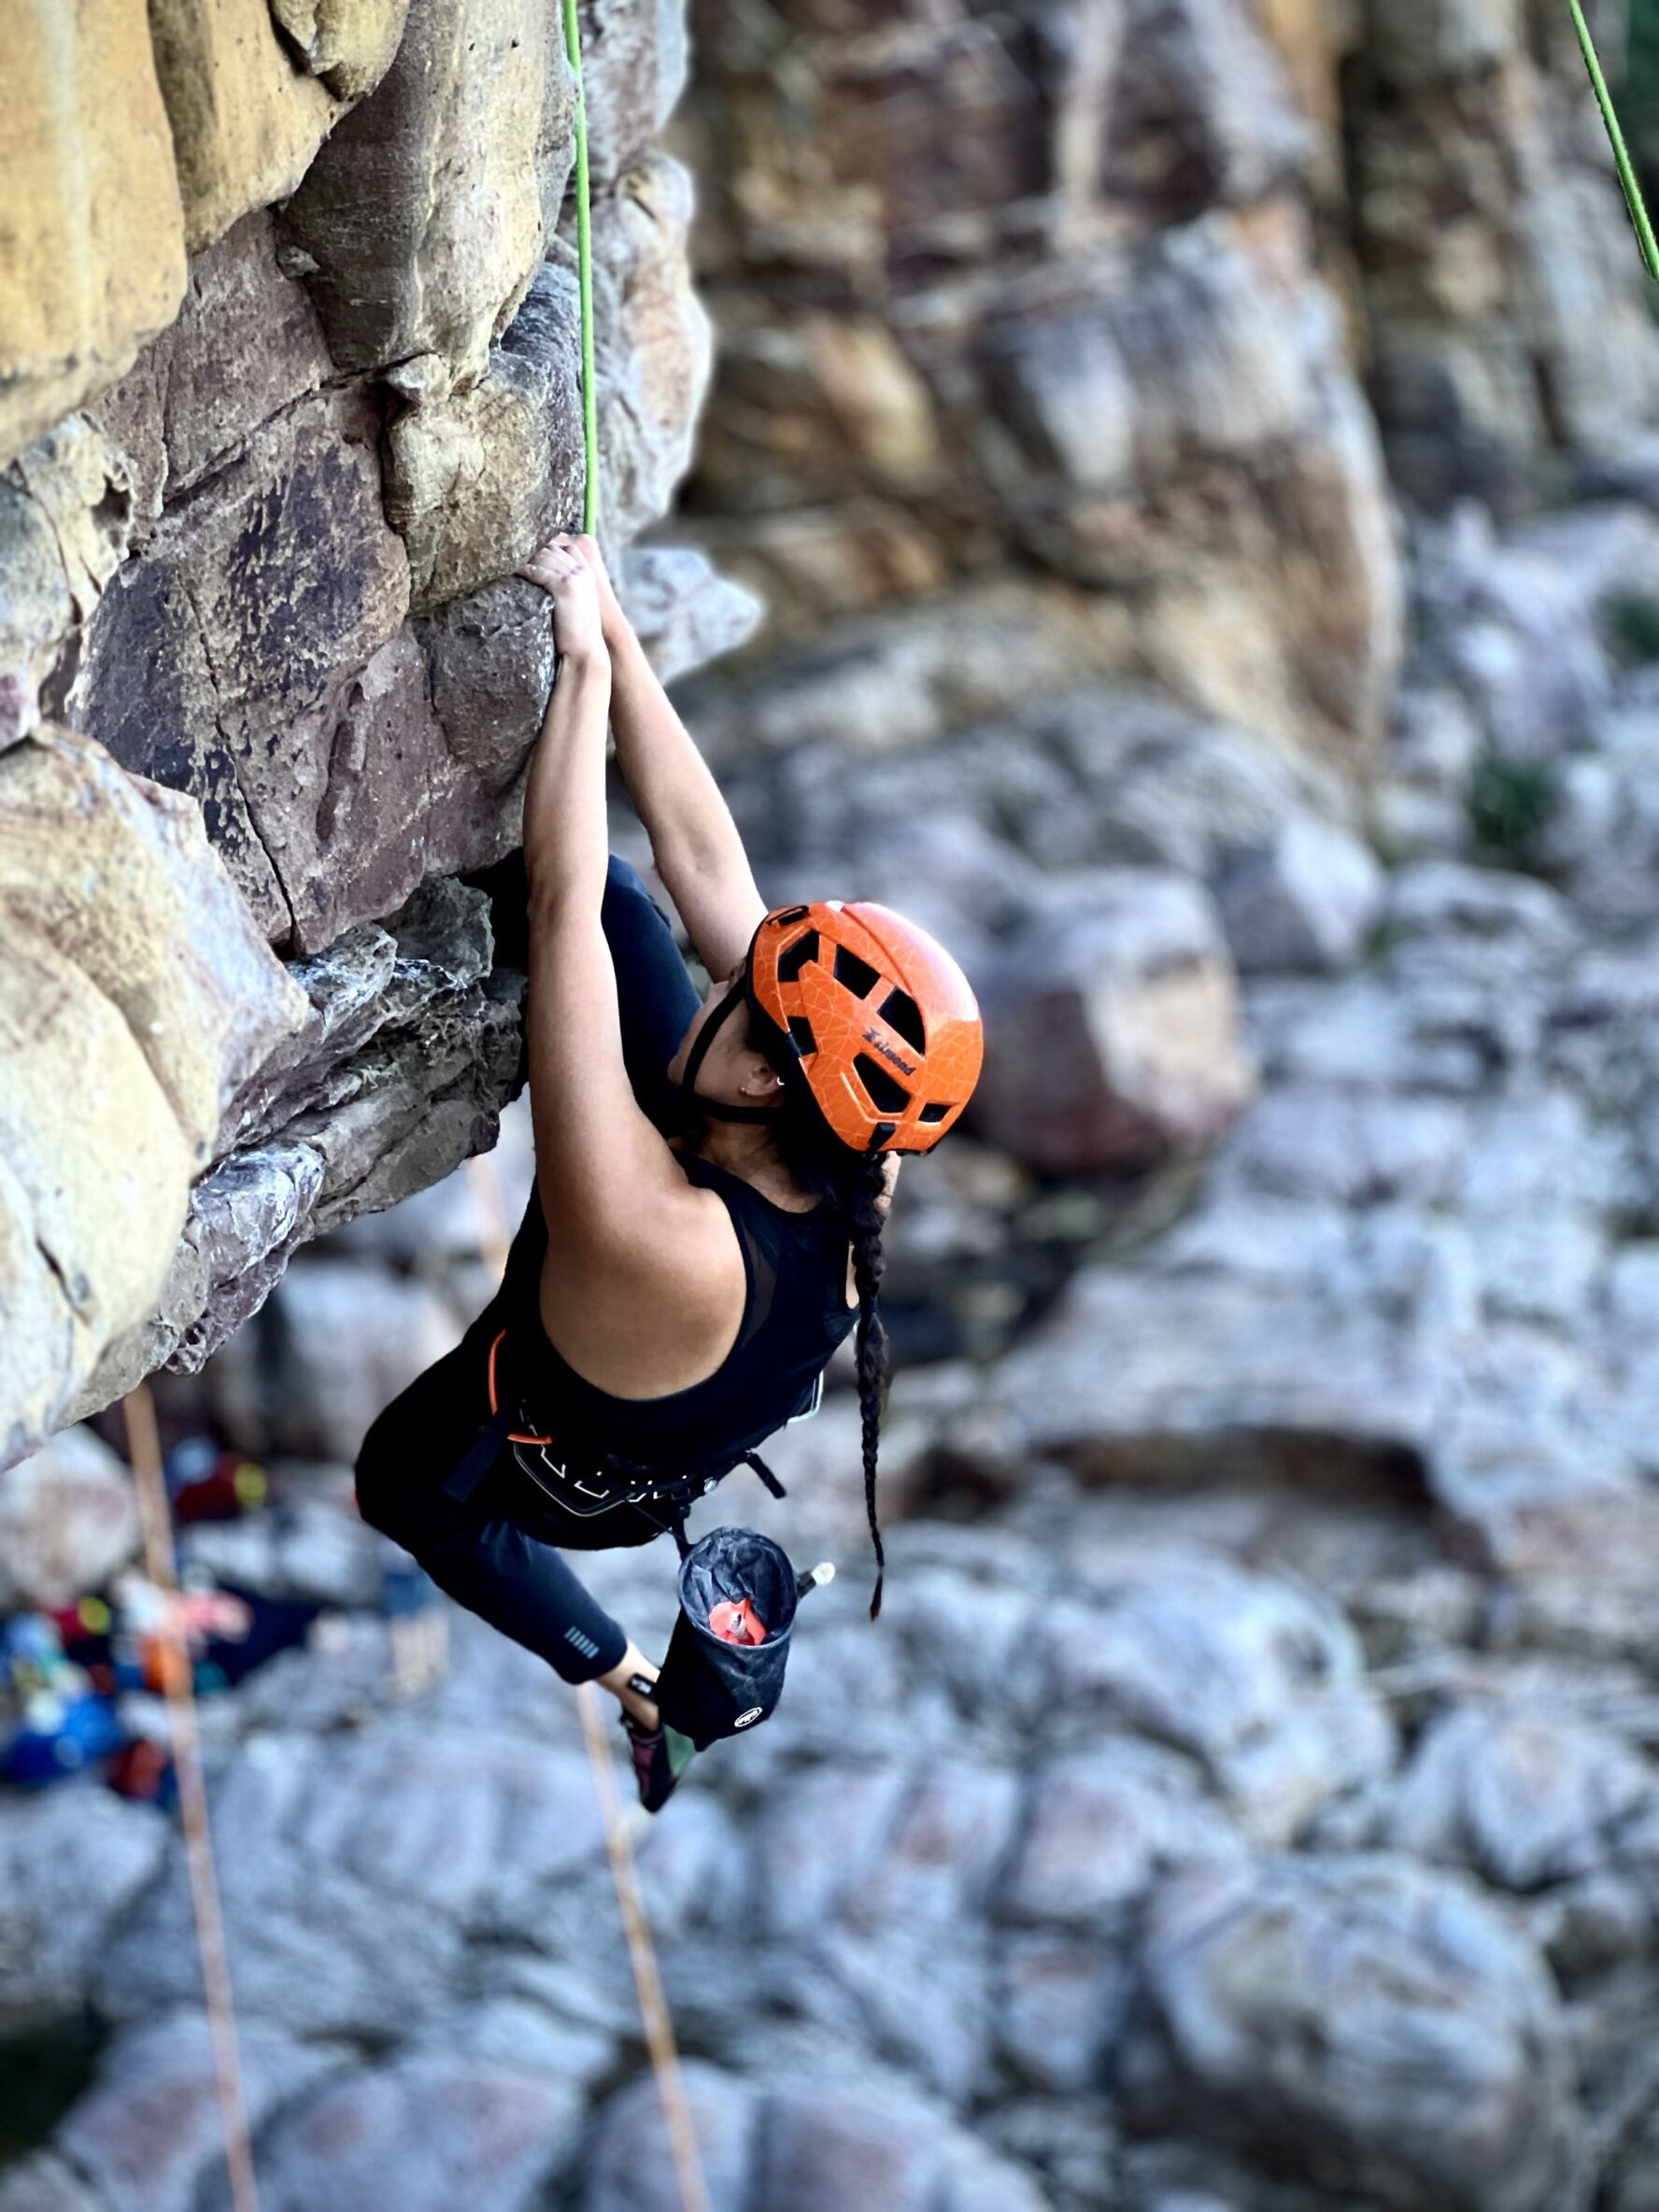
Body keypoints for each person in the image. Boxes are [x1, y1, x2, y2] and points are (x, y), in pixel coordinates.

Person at [354, 533, 984, 1810]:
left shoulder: (657, 1238)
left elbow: (560, 907)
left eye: (740, 999)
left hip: (562, 1448)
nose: (725, 979)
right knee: (652, 907)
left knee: (406, 1486)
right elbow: (701, 867)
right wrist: (617, 629)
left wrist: (575, 670)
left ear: (761, 1079)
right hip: (685, 1335)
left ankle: (634, 1679)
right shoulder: (856, 1141)